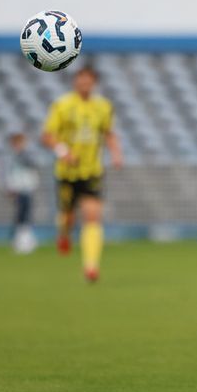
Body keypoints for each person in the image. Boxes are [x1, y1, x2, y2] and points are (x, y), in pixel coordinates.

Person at [42, 65, 123, 282]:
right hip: (67, 172)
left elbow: (109, 133)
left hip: (91, 171)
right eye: (81, 80)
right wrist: (63, 152)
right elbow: (48, 136)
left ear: (94, 83)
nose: (84, 84)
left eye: (88, 80)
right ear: (75, 82)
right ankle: (64, 234)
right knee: (68, 217)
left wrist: (116, 154)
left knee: (92, 216)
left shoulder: (103, 107)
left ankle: (91, 266)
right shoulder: (62, 105)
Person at [0, 132, 40, 254]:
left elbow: (35, 165)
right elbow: (3, 173)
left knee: (26, 214)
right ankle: (20, 241)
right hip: (17, 189)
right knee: (21, 215)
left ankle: (24, 239)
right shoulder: (8, 157)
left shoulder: (26, 155)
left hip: (27, 188)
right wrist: (7, 187)